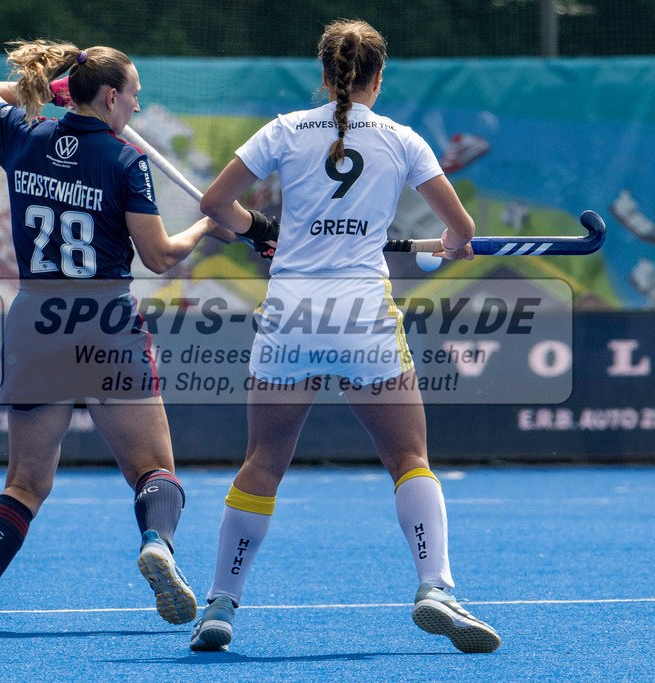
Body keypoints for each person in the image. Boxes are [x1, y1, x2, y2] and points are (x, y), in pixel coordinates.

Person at [189, 19, 502, 654]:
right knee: (408, 459)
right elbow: (461, 230)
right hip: (362, 311)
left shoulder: (283, 130)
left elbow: (214, 205)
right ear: (377, 80)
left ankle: (221, 605)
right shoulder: (403, 140)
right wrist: (451, 247)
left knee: (264, 460)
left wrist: (258, 230)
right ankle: (434, 587)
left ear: (325, 75)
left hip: (291, 311)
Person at [0, 39, 227, 632]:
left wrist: (48, 86)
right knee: (152, 469)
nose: (137, 111)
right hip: (105, 320)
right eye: (134, 98)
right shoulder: (125, 161)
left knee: (25, 483)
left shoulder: (25, 134)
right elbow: (161, 255)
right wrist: (206, 225)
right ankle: (156, 543)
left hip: (36, 319)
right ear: (112, 96)